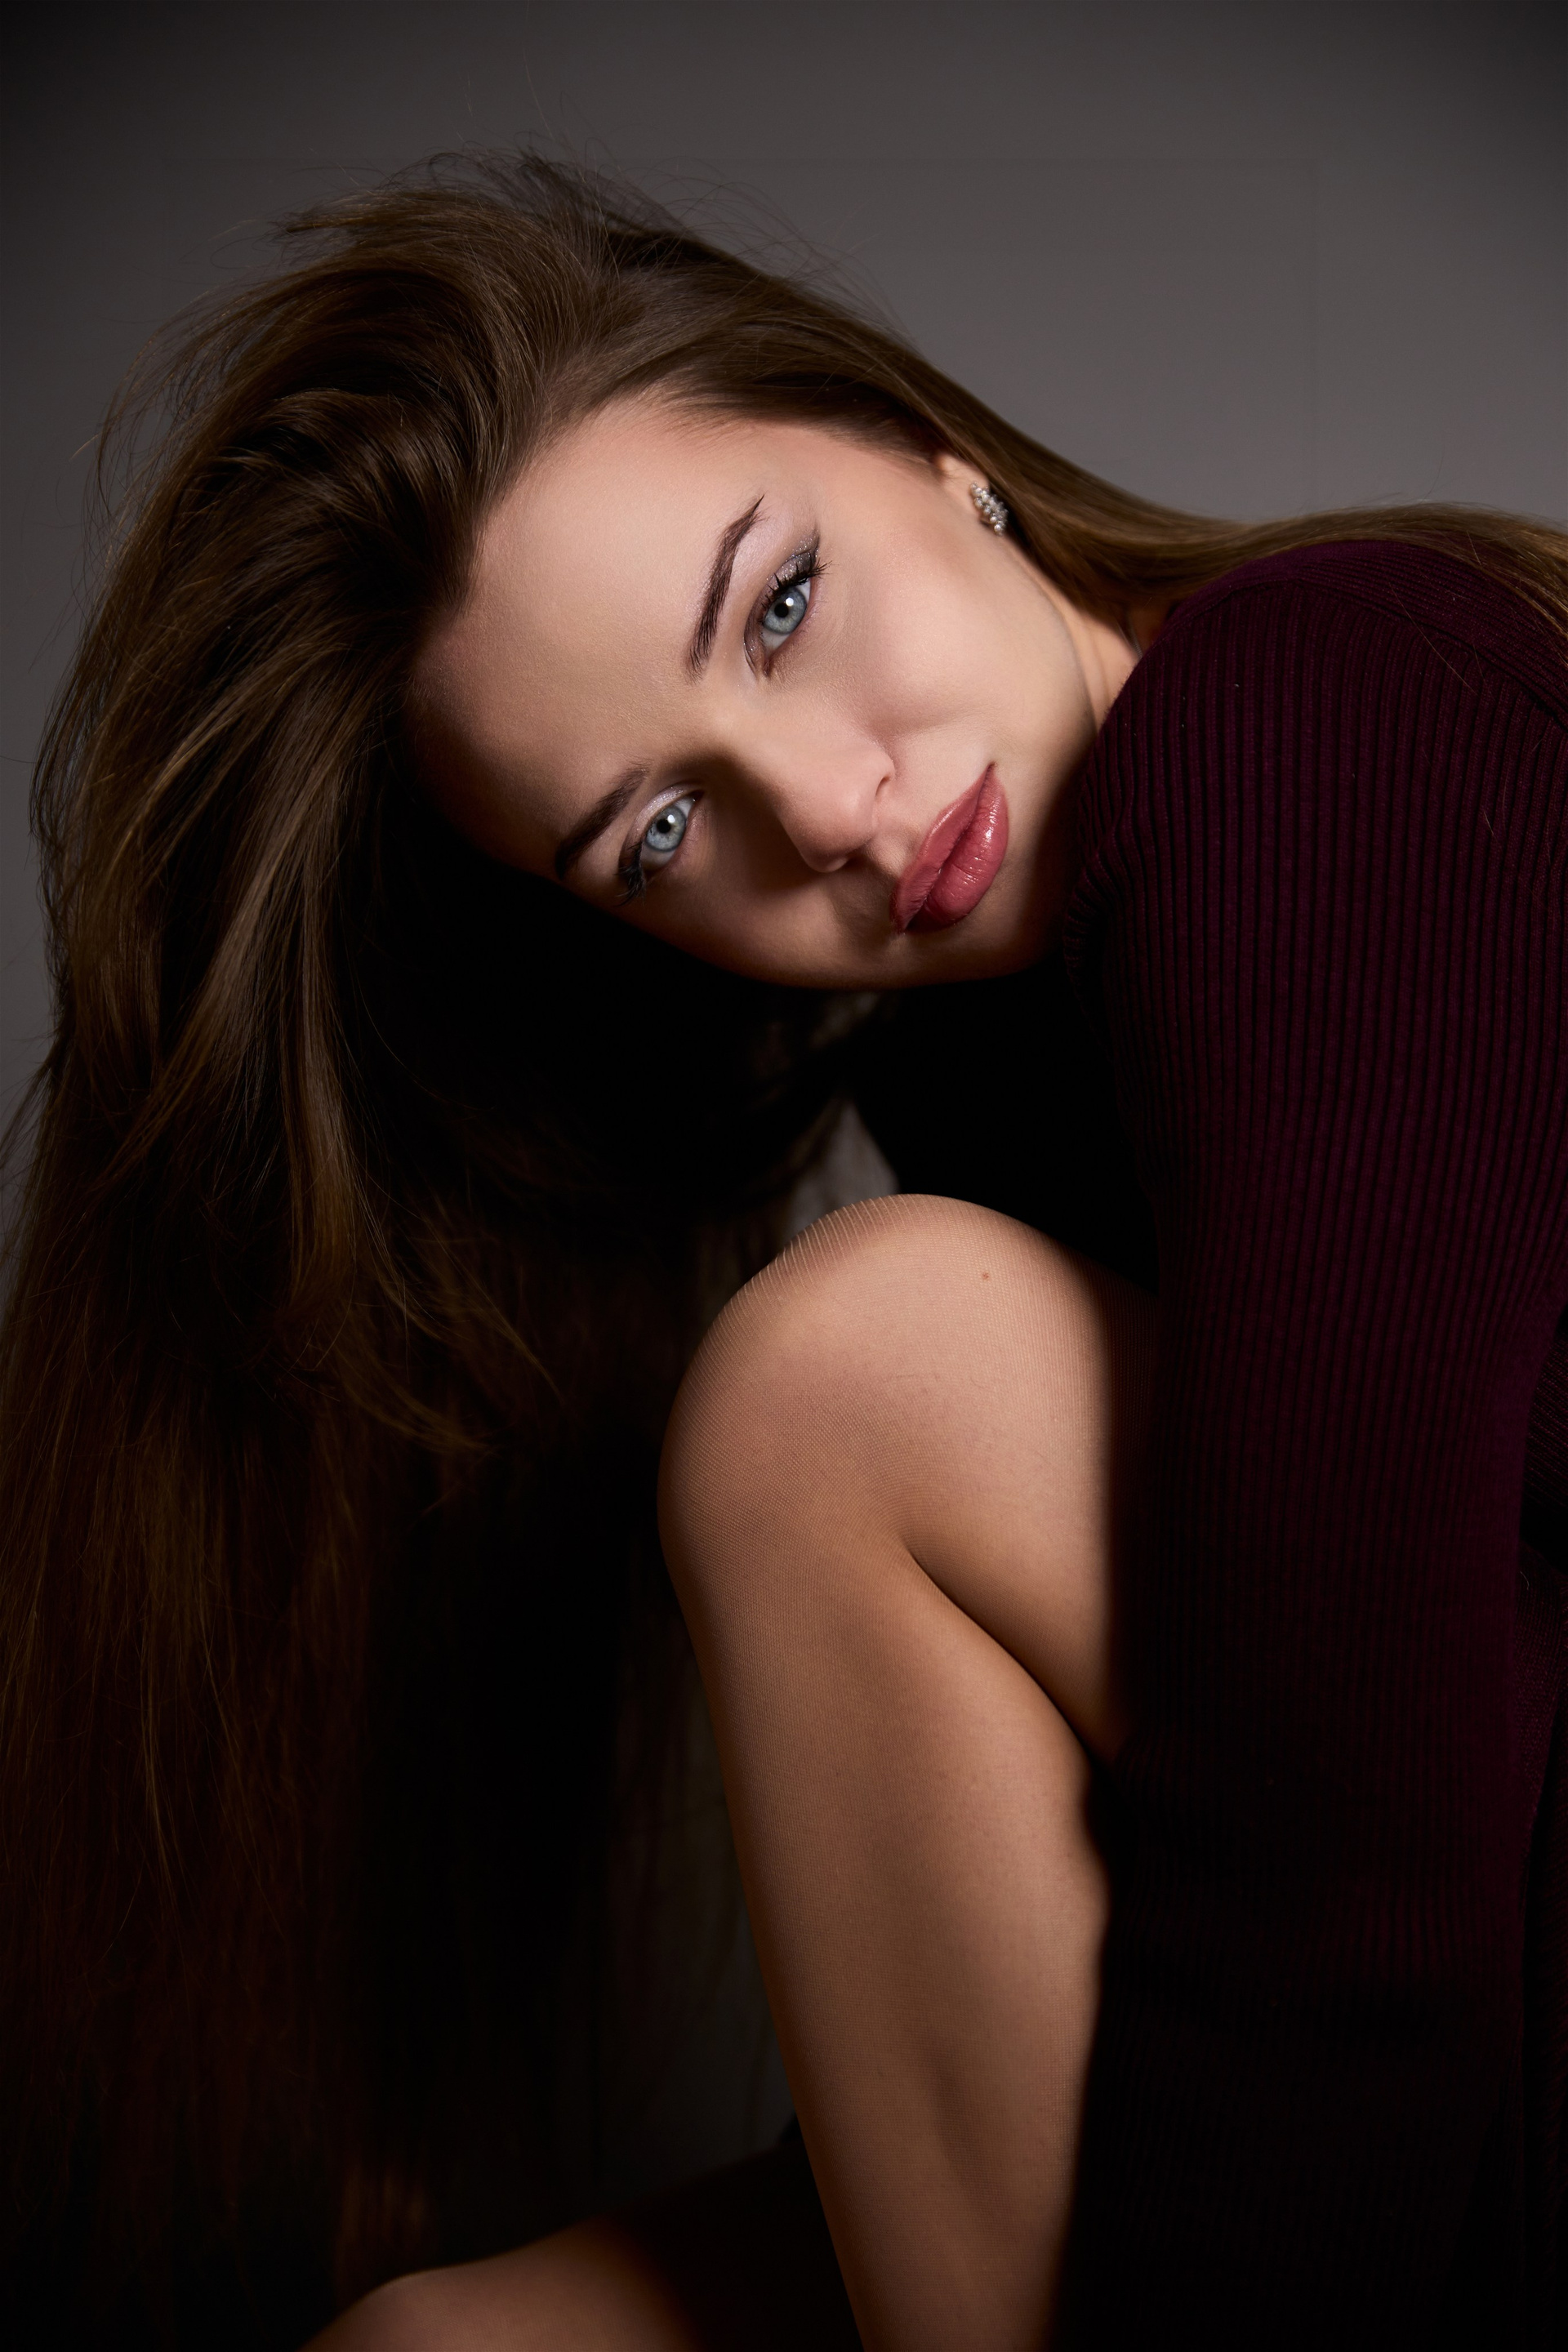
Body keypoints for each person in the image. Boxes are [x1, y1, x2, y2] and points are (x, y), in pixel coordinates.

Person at [2, 154, 1562, 2351]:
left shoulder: (1302, 712)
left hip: (1440, 1976)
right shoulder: (995, 1059)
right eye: (659, 830)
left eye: (783, 605)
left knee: (836, 1379)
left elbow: (1350, 1831)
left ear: (928, 455)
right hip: (1434, 2043)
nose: (826, 814)